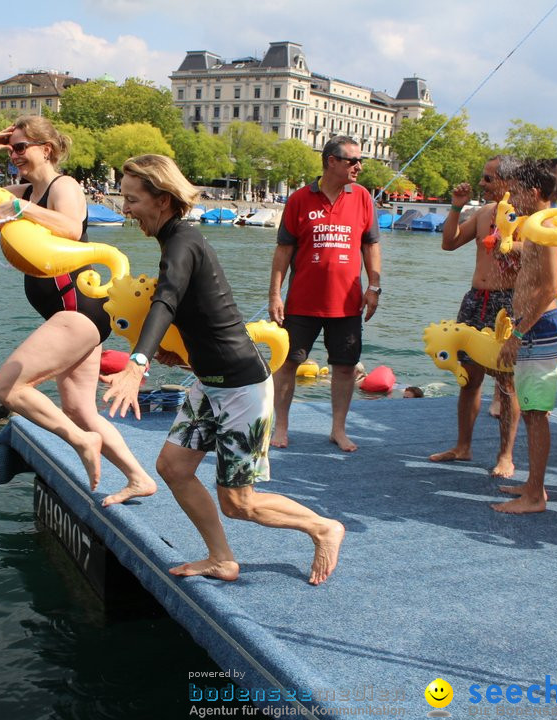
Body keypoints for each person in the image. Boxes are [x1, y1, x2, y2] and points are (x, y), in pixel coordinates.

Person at [103, 154, 344, 584]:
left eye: (132, 199)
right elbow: (196, 314)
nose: (126, 208)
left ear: (162, 199)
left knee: (240, 503)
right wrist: (184, 356)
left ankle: (323, 527)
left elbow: (168, 298)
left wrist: (136, 364)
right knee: (174, 468)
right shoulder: (175, 240)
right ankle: (221, 558)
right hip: (210, 381)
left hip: (241, 387)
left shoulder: (183, 241)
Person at [0, 116, 155, 506]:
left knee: (9, 387)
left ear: (47, 149)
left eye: (21, 146)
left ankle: (81, 442)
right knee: (79, 408)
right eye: (11, 148)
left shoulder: (65, 186)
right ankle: (138, 477)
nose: (15, 154)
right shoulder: (21, 189)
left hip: (79, 308)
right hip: (71, 314)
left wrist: (20, 207)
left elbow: (72, 228)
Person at [269, 135, 381, 452]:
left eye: (361, 161)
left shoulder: (362, 198)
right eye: (353, 161)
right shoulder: (299, 199)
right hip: (302, 302)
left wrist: (374, 287)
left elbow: (371, 245)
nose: (359, 166)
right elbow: (283, 251)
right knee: (288, 362)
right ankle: (282, 426)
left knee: (345, 366)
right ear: (331, 161)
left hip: (347, 303)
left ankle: (338, 429)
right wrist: (275, 295)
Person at [429, 155, 521, 477]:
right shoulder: (483, 213)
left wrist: (511, 242)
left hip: (506, 303)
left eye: (487, 178)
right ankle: (463, 447)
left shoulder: (525, 217)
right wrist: (456, 207)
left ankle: (506, 455)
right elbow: (449, 244)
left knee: (507, 382)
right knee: (468, 378)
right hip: (475, 301)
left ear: (508, 181)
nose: (481, 183)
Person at [492, 160, 557, 514]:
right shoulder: (541, 226)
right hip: (533, 325)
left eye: (518, 190)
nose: (513, 197)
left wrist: (519, 332)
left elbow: (550, 286)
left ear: (534, 192)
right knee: (533, 410)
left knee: (536, 413)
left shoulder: (545, 226)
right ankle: (533, 484)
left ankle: (536, 495)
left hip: (539, 328)